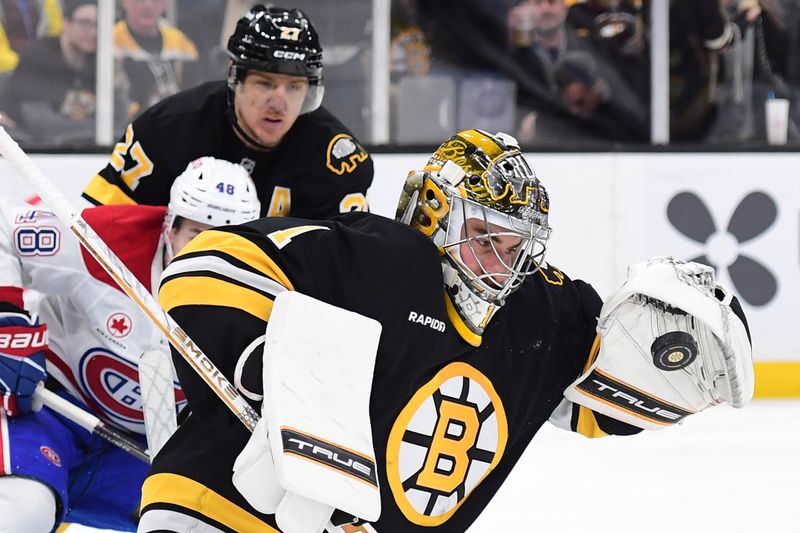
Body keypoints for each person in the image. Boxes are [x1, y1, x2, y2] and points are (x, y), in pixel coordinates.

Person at [138, 129, 754, 532]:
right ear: (435, 212)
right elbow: (199, 271)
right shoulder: (374, 257)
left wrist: (680, 362)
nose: (503, 265)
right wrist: (275, 376)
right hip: (217, 498)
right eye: (487, 238)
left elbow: (601, 408)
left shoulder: (542, 312)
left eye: (518, 247)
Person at [0, 157, 260, 532]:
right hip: (45, 412)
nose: (207, 257)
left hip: (142, 451)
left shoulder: (257, 297)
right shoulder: (107, 242)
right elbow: (4, 225)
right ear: (170, 228)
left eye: (224, 244)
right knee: (23, 509)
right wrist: (5, 318)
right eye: (197, 236)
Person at [84, 4, 373, 220]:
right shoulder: (166, 130)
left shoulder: (336, 159)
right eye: (265, 83)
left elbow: (341, 268)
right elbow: (102, 231)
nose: (278, 102)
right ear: (236, 79)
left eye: (294, 87)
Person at [0, 0, 127, 144]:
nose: (93, 31)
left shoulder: (101, 61)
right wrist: (95, 130)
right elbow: (39, 123)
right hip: (37, 151)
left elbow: (118, 122)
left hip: (89, 152)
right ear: (66, 23)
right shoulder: (38, 55)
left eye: (99, 24)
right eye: (85, 23)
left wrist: (116, 74)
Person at [113, 0, 200, 118]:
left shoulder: (179, 41)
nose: (148, 5)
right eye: (139, 0)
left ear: (164, 5)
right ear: (124, 3)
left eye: (156, 0)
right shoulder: (111, 40)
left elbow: (196, 85)